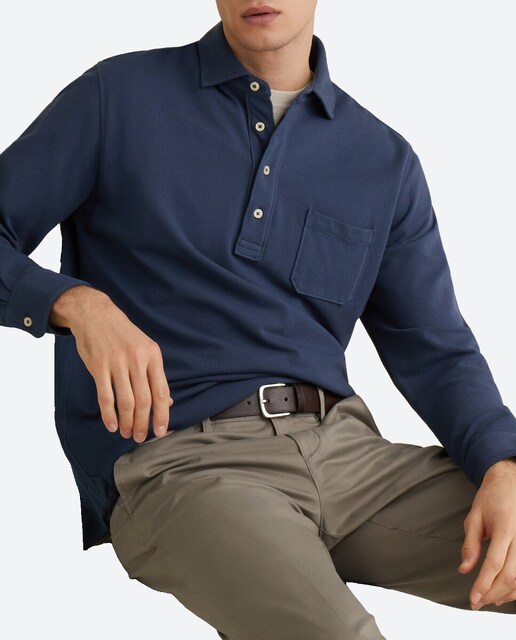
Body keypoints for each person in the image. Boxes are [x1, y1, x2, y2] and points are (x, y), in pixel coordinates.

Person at [1, 1, 515, 637]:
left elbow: (436, 349)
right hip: (184, 464)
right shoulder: (118, 97)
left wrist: (503, 464)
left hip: (349, 456)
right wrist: (78, 304)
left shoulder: (382, 158)